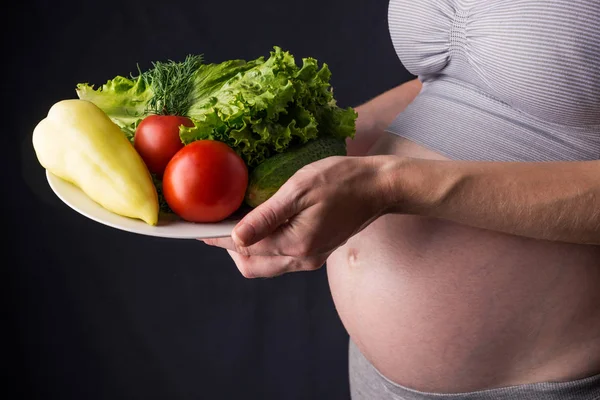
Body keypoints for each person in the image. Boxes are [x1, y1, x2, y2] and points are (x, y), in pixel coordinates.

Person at [203, 0, 600, 398]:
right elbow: (465, 77)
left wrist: (390, 185)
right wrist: (308, 148)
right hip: (374, 378)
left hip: (541, 380)